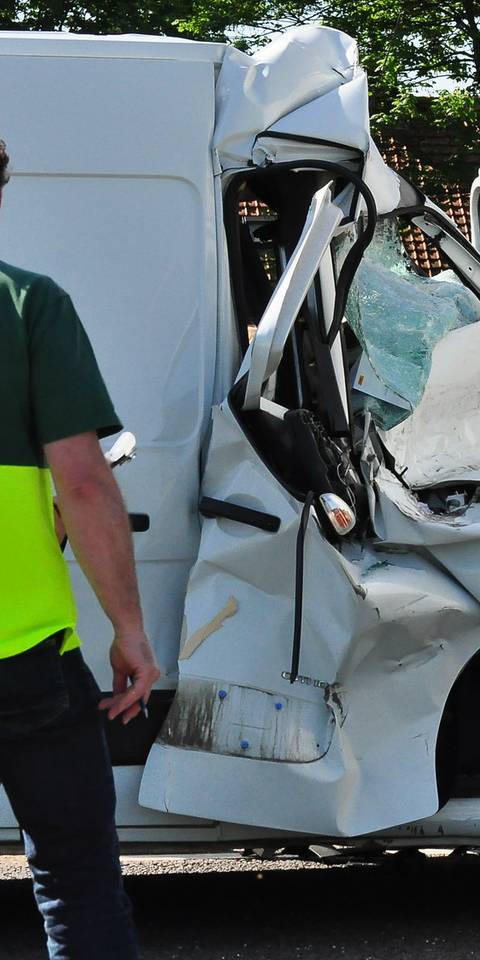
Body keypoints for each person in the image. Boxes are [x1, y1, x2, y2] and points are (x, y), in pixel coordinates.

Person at [0, 138, 160, 959]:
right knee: (75, 879)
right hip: (26, 658)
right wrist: (128, 630)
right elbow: (85, 486)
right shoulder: (29, 306)